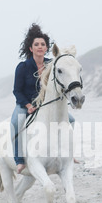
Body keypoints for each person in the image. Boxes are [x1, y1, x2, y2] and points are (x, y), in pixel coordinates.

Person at [11, 23, 75, 174]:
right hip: (25, 104)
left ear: (47, 48)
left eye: (43, 44)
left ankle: (69, 154)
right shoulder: (23, 67)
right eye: (36, 44)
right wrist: (27, 105)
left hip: (46, 104)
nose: (40, 47)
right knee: (15, 123)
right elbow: (17, 91)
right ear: (31, 48)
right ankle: (19, 160)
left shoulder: (51, 65)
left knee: (71, 120)